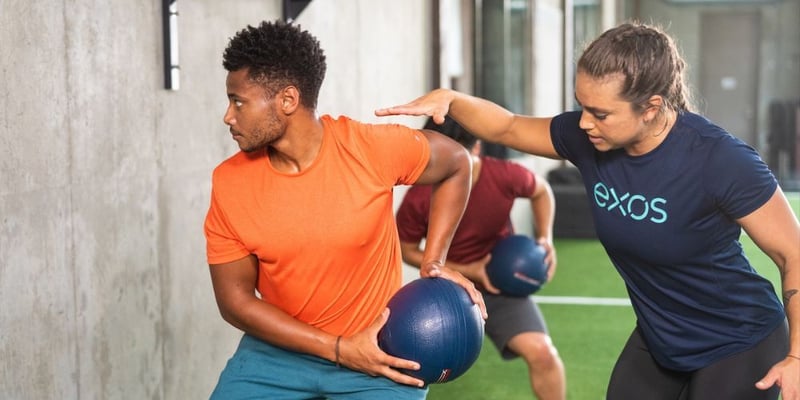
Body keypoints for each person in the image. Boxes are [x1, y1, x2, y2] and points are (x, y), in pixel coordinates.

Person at [377, 21, 800, 400]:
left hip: (738, 341)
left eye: (600, 113)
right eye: (582, 106)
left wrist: (797, 355)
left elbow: (792, 254)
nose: (583, 123)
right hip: (660, 336)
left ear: (651, 108)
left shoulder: (720, 161)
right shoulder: (590, 138)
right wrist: (451, 100)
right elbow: (507, 126)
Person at [204, 20, 486, 400]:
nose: (229, 116)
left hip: (380, 347)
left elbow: (457, 163)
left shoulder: (367, 149)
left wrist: (433, 262)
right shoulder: (229, 183)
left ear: (287, 100)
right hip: (277, 354)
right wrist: (337, 348)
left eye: (238, 101)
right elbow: (235, 303)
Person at [395, 116, 567, 399]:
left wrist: (545, 238)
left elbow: (541, 191)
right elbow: (406, 248)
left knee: (543, 353)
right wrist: (468, 269)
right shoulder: (419, 197)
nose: (439, 165)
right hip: (448, 290)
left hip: (499, 284)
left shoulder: (503, 175)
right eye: (434, 154)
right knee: (410, 367)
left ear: (475, 149)